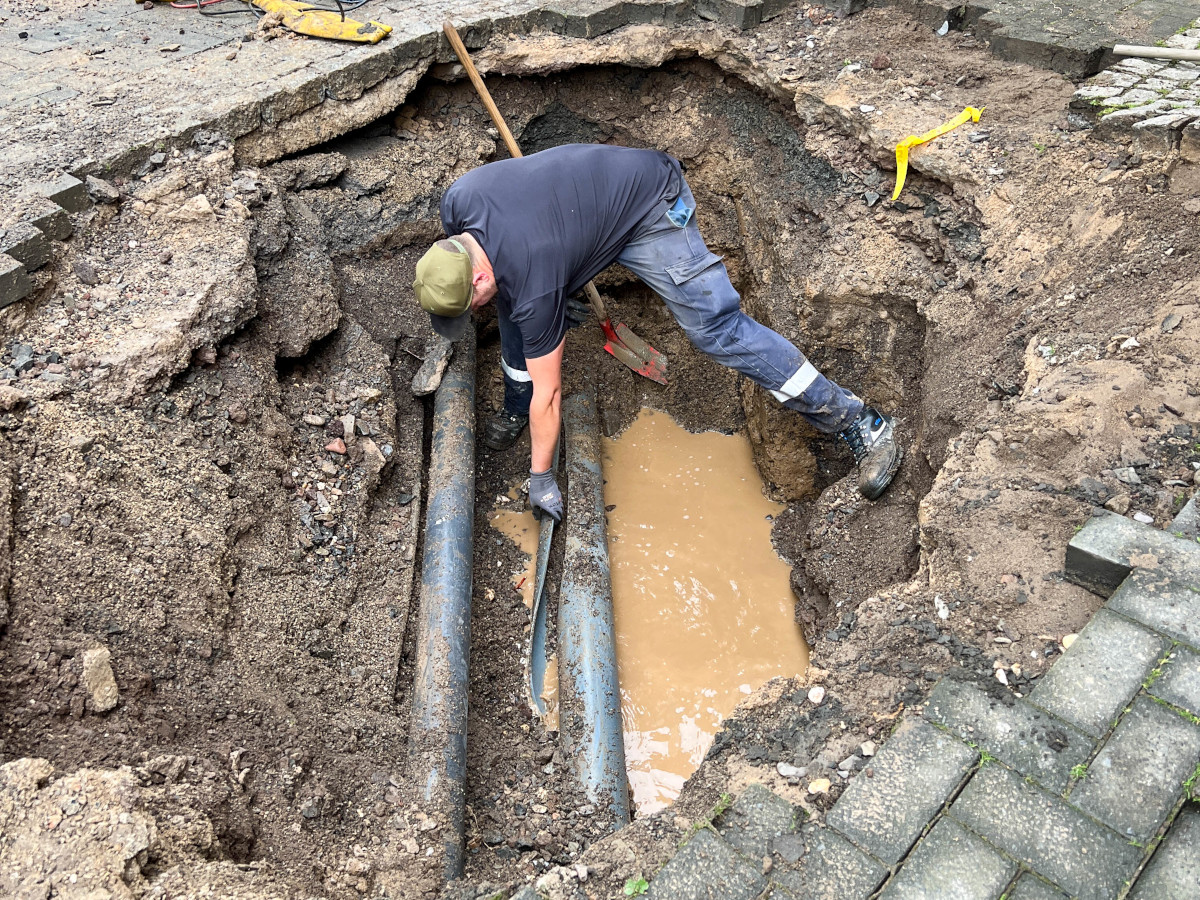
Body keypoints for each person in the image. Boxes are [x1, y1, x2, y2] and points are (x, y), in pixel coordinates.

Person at [412, 144, 901, 521]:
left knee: (717, 330)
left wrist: (541, 478)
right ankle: (512, 405)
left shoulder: (533, 279)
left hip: (650, 206)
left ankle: (857, 421)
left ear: (475, 274)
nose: (471, 311)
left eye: (469, 302)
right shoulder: (458, 202)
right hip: (579, 215)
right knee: (514, 305)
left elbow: (552, 393)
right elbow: (528, 254)